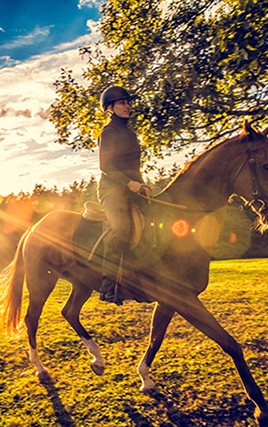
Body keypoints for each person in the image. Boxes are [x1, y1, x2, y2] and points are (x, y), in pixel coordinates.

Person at [97, 85, 151, 305]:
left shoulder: (130, 133)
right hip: (112, 191)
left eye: (128, 103)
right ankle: (108, 286)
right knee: (122, 229)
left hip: (133, 188)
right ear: (109, 108)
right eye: (122, 103)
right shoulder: (109, 132)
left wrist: (142, 184)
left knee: (158, 221)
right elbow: (105, 165)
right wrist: (129, 183)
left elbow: (133, 167)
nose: (127, 106)